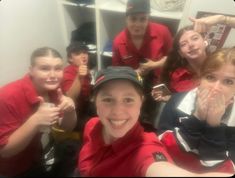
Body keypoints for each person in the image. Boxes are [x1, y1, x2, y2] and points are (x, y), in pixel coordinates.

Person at [75, 66, 232, 177]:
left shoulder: (146, 149)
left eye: (128, 100)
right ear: (95, 101)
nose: (117, 111)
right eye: (108, 99)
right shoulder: (93, 124)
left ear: (141, 102)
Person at [0, 47, 77, 177]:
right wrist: (36, 120)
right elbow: (5, 151)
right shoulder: (7, 96)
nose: (52, 75)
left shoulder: (53, 89)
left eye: (58, 68)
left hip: (35, 157)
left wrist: (70, 110)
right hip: (10, 169)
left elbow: (66, 127)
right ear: (31, 71)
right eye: (45, 68)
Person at [158, 48, 235, 174]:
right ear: (201, 77)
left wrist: (213, 125)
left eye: (228, 81)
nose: (216, 88)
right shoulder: (177, 100)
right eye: (210, 77)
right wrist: (197, 117)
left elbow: (226, 170)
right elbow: (162, 148)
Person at [112, 0, 173, 124]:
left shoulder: (163, 31)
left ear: (148, 19)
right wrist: (135, 73)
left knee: (160, 116)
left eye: (142, 19)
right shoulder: (118, 41)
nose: (138, 24)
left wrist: (155, 65)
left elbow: (173, 58)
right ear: (126, 19)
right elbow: (116, 71)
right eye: (133, 19)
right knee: (132, 117)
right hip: (134, 84)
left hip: (160, 82)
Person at [152, 25, 208, 102]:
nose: (191, 45)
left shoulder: (222, 66)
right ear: (181, 53)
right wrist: (168, 98)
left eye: (195, 38)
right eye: (183, 44)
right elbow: (175, 100)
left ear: (205, 40)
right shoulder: (177, 76)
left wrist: (223, 19)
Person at [61, 41, 94, 132]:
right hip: (73, 114)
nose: (83, 56)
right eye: (77, 54)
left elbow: (87, 89)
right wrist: (79, 76)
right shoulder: (68, 72)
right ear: (70, 59)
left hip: (84, 106)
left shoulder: (83, 68)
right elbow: (70, 97)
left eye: (85, 52)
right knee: (97, 125)